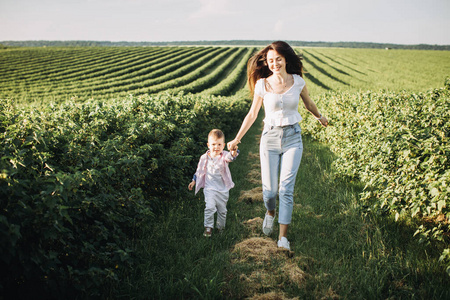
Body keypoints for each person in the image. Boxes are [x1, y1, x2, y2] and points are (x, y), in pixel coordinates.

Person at [227, 41, 328, 250]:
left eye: (278, 60)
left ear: (285, 59)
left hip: (293, 137)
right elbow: (253, 114)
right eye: (271, 60)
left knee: (286, 189)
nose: (274, 64)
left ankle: (283, 238)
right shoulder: (263, 84)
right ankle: (270, 211)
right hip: (270, 139)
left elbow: (308, 103)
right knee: (270, 192)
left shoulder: (298, 82)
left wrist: (320, 117)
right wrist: (237, 139)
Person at [188, 129, 239, 237]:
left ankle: (220, 228)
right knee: (210, 207)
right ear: (208, 145)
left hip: (223, 189)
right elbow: (199, 170)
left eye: (219, 144)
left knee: (222, 210)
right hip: (209, 188)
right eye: (213, 144)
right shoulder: (204, 158)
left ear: (224, 145)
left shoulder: (224, 155)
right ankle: (208, 228)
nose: (216, 147)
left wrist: (233, 151)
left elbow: (231, 157)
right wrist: (194, 181)